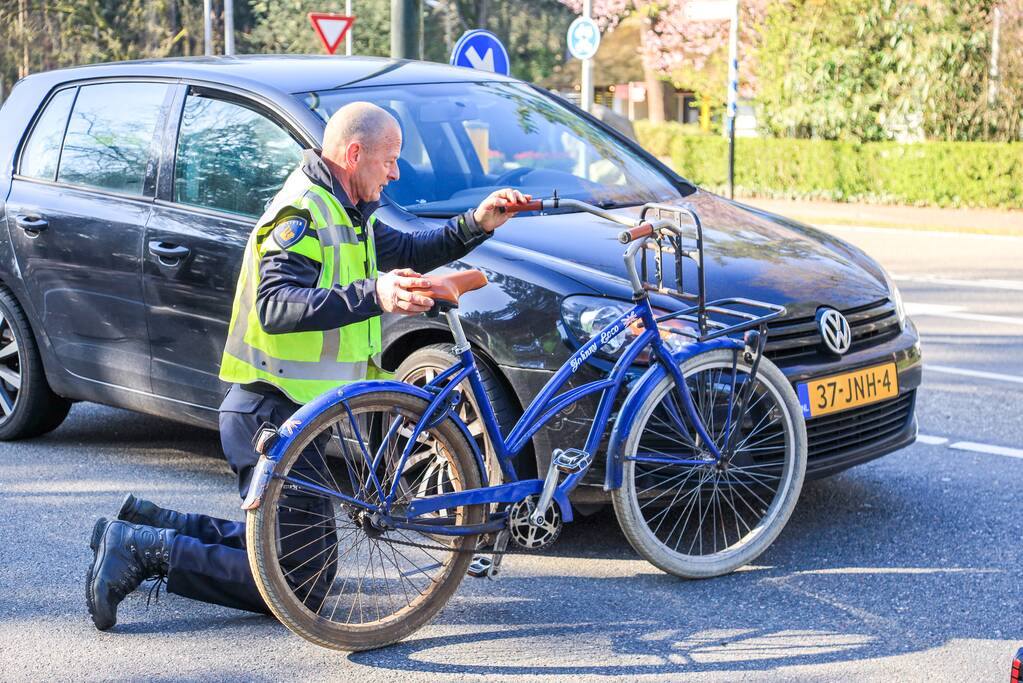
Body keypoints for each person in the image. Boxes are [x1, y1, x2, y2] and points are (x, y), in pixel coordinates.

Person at [85, 102, 530, 630]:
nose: (396, 172)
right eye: (389, 159)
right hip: (269, 414)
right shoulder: (302, 213)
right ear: (355, 153)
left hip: (299, 415)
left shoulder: (347, 211)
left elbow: (413, 246)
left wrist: (478, 222)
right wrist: (376, 294)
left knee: (299, 554)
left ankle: (151, 525)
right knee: (303, 579)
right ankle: (143, 549)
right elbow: (276, 306)